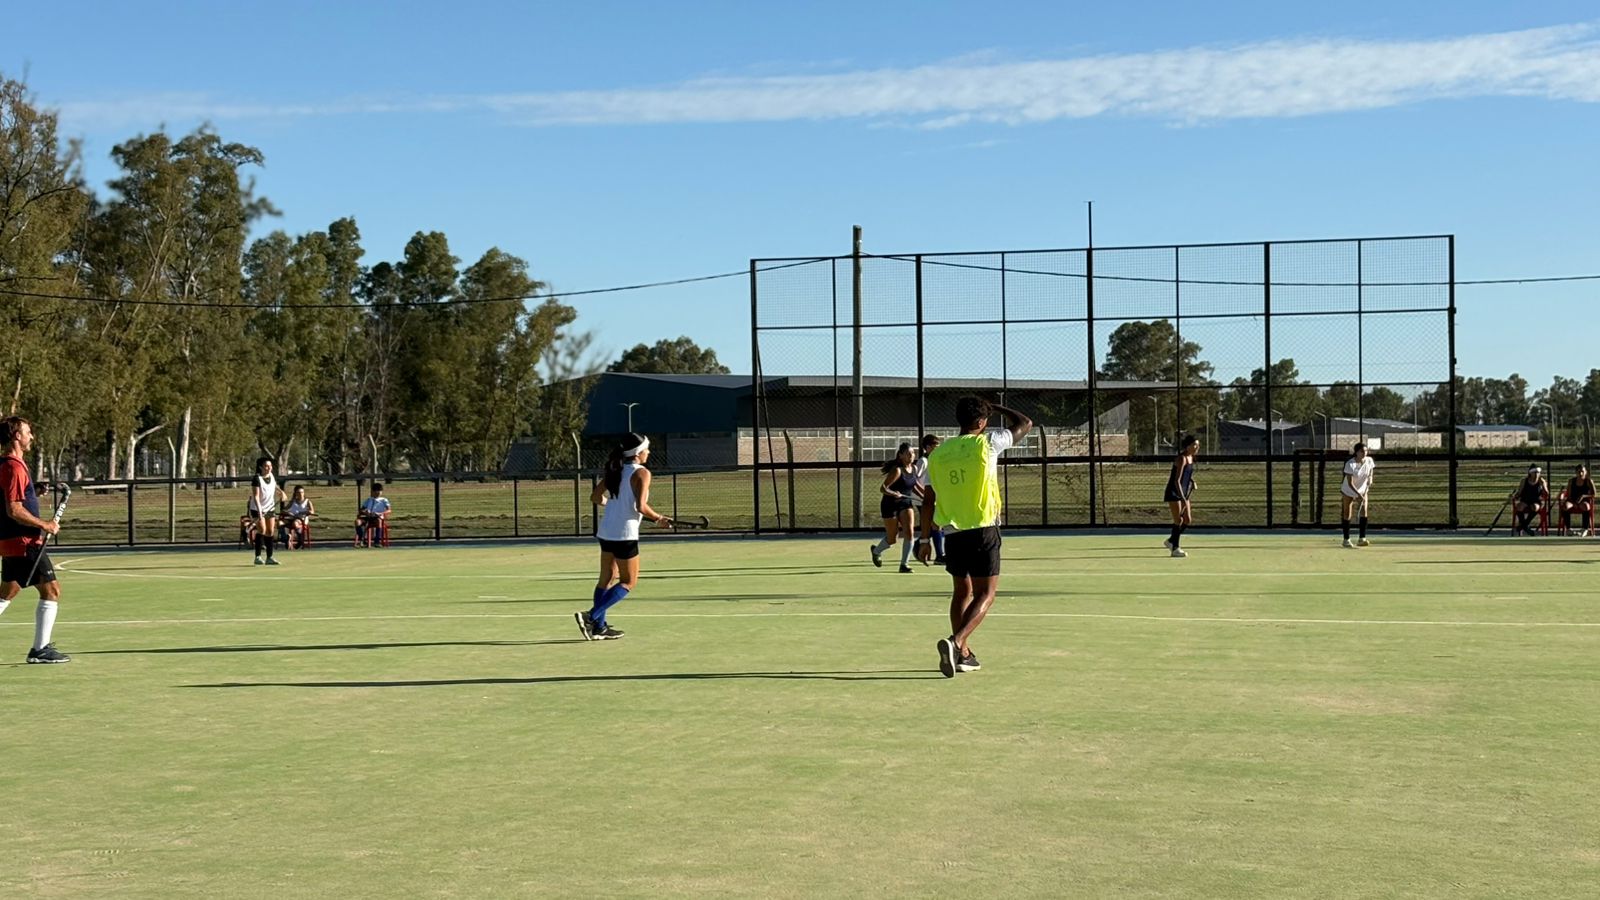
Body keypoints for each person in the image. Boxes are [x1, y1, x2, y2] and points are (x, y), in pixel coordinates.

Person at [916, 397, 1032, 678]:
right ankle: (956, 642)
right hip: (983, 528)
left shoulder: (937, 455)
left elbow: (928, 501)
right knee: (986, 593)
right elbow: (1025, 423)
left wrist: (924, 540)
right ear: (981, 422)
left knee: (961, 592)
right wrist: (996, 406)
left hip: (952, 532)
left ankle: (964, 654)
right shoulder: (987, 443)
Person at [576, 432, 673, 641]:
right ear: (638, 453)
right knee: (628, 581)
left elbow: (595, 497)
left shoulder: (615, 469)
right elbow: (641, 506)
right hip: (624, 534)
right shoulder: (642, 473)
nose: (649, 452)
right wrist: (659, 519)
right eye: (646, 449)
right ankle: (591, 616)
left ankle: (599, 629)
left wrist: (614, 506)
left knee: (606, 579)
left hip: (606, 531)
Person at [0, 416, 69, 663]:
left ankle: (40, 650)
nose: (31, 436)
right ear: (16, 436)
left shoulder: (10, 465)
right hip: (24, 542)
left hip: (12, 542)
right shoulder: (13, 467)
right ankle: (40, 650)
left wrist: (33, 491)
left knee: (7, 592)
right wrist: (45, 524)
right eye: (28, 432)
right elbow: (14, 509)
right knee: (52, 590)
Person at [870, 442, 919, 573]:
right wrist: (894, 493)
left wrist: (926, 497)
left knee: (910, 532)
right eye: (908, 454)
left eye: (913, 453)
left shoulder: (914, 469)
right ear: (901, 455)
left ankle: (904, 564)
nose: (911, 456)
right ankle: (876, 551)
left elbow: (915, 486)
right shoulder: (897, 470)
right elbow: (883, 488)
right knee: (892, 539)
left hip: (906, 503)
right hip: (889, 504)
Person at [910, 434, 946, 564]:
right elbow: (914, 479)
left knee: (935, 526)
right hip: (922, 499)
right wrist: (923, 493)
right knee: (935, 525)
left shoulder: (936, 460)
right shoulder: (923, 461)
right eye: (936, 446)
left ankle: (920, 545)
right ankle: (939, 556)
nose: (938, 448)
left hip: (932, 498)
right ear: (928, 447)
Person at [1163, 435, 1200, 558]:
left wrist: (1192, 481)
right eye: (1195, 445)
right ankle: (1175, 548)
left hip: (1183, 492)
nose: (1197, 447)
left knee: (1187, 519)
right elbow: (1177, 480)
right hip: (1174, 492)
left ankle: (1171, 540)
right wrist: (1182, 498)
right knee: (1178, 520)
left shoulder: (1191, 458)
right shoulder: (1182, 458)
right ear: (1188, 446)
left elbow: (1186, 474)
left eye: (1198, 445)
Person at [247, 456, 285, 565]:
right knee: (262, 530)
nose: (269, 468)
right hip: (257, 509)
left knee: (270, 531)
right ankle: (258, 557)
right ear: (261, 467)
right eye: (266, 466)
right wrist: (260, 512)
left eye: (270, 466)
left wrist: (281, 492)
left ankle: (270, 557)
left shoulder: (271, 476)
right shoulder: (257, 479)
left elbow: (274, 485)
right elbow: (256, 497)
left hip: (270, 508)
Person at [1340, 442, 1375, 548]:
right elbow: (1350, 483)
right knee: (1347, 514)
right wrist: (1358, 494)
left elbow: (1371, 471)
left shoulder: (1369, 460)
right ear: (1356, 452)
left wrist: (1370, 478)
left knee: (1364, 511)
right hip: (1349, 490)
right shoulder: (1350, 464)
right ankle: (1346, 540)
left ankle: (1362, 538)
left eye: (1366, 451)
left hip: (1363, 490)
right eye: (1362, 451)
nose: (1364, 453)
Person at [1511, 465, 1549, 536]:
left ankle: (1524, 525)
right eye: (1535, 472)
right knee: (1519, 507)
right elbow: (1519, 492)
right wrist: (1515, 496)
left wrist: (1543, 485)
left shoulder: (1541, 481)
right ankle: (1525, 527)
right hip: (1525, 500)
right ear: (1530, 473)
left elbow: (1546, 493)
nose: (1537, 474)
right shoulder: (1524, 481)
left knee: (1534, 507)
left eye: (1538, 472)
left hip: (1536, 501)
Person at [1560, 464, 1595, 536]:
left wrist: (1583, 496)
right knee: (1565, 506)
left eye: (1582, 471)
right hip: (1572, 501)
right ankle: (1568, 529)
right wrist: (1573, 503)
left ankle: (1584, 529)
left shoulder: (1589, 481)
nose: (1581, 473)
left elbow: (1594, 494)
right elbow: (1569, 495)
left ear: (1586, 472)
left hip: (1584, 502)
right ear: (1576, 472)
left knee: (1586, 506)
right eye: (1579, 472)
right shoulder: (1571, 481)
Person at [356, 482, 391, 547]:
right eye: (375, 491)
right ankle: (362, 541)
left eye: (379, 491)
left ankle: (377, 542)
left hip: (378, 517)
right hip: (368, 517)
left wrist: (380, 513)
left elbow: (389, 510)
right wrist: (366, 512)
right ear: (372, 491)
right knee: (357, 522)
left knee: (378, 521)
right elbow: (361, 510)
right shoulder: (368, 500)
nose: (378, 492)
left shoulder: (384, 500)